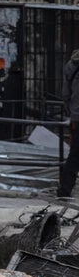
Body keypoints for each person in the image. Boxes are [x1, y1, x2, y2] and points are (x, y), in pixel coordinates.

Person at [58, 48, 79, 198]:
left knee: (75, 156)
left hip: (77, 116)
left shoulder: (71, 64)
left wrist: (71, 110)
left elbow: (65, 94)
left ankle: (64, 190)